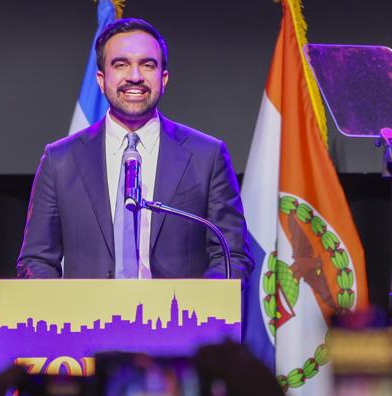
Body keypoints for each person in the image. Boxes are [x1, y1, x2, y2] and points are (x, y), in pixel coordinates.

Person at [16, 18, 254, 282]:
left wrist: (196, 304)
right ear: (101, 79)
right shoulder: (60, 161)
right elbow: (37, 261)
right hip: (87, 310)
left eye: (147, 65)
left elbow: (232, 257)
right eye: (121, 64)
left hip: (177, 309)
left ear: (163, 79)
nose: (135, 76)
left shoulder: (207, 156)